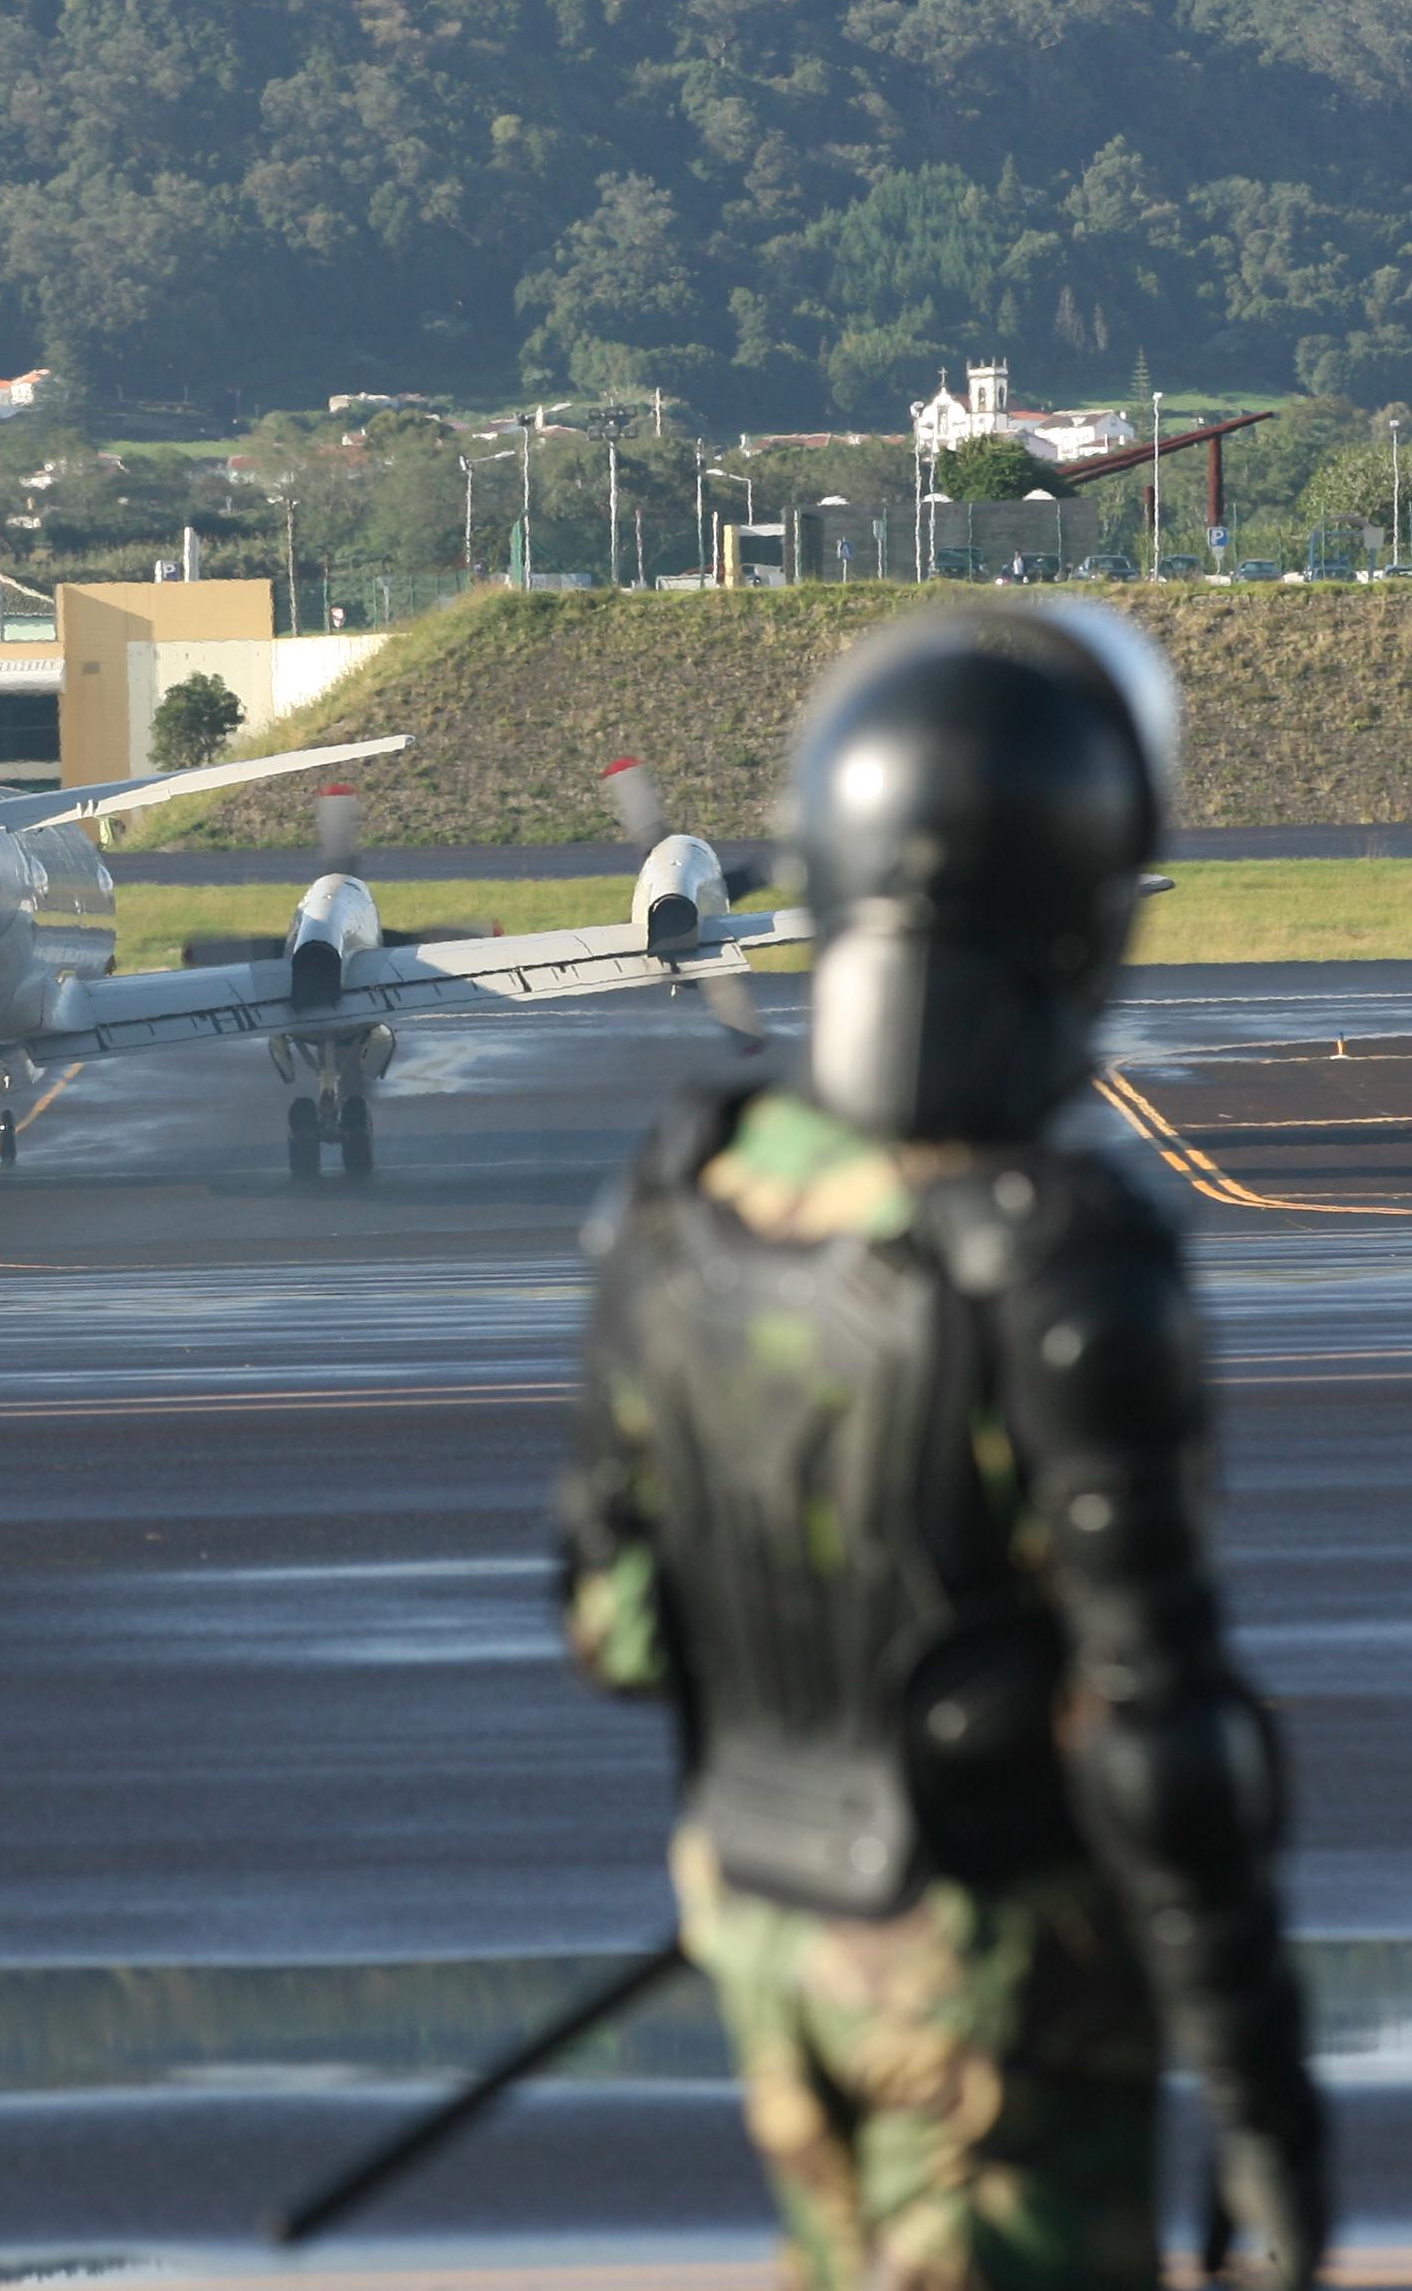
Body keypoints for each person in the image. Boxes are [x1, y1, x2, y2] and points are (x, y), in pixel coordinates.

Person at [552, 603, 1327, 2290]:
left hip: (770, 1939)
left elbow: (610, 1627)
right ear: (1079, 904)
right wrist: (1262, 2090)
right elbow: (1163, 1743)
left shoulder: (683, 1192)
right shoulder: (1056, 1253)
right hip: (991, 1991)